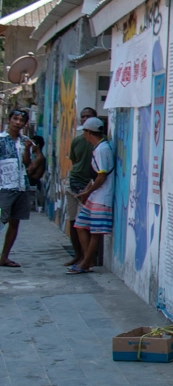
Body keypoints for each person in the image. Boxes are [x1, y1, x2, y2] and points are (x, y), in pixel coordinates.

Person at [68, 118, 114, 273]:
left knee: (95, 232)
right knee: (80, 224)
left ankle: (86, 262)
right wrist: (88, 189)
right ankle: (88, 259)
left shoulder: (102, 150)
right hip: (96, 195)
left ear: (89, 133)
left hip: (102, 197)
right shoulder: (99, 148)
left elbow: (102, 176)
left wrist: (87, 191)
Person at [64, 108, 99, 267]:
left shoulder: (100, 144)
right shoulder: (77, 140)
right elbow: (75, 161)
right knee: (72, 221)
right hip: (74, 183)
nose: (85, 119)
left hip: (88, 187)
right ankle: (78, 255)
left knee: (83, 223)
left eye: (88, 117)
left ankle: (87, 258)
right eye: (83, 117)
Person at [0, 109, 34, 268]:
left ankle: (4, 257)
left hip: (21, 186)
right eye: (15, 119)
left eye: (21, 120)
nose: (18, 122)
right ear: (9, 119)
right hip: (4, 187)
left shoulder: (25, 141)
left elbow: (28, 164)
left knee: (15, 222)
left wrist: (27, 149)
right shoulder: (1, 139)